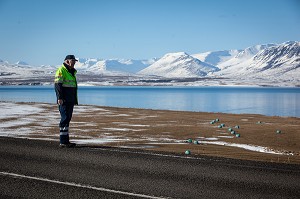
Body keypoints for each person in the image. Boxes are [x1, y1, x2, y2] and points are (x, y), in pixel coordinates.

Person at [54, 55, 78, 148]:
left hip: (70, 100)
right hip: (64, 100)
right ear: (67, 61)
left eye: (75, 61)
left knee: (68, 119)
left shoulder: (72, 72)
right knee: (64, 119)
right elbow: (58, 85)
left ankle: (66, 141)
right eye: (73, 61)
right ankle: (63, 141)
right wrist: (60, 98)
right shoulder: (61, 70)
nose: (74, 62)